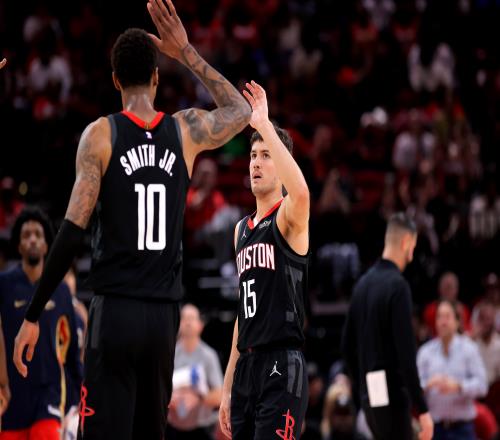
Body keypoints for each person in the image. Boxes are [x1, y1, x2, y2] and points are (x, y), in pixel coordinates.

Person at [13, 0, 251, 438]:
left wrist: (32, 313)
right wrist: (186, 53)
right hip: (162, 319)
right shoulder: (184, 131)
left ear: (115, 80)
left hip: (116, 311)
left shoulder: (100, 136)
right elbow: (241, 112)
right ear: (157, 77)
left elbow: (71, 232)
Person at [219, 81, 310, 440]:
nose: (256, 162)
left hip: (282, 362)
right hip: (247, 366)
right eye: (253, 155)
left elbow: (301, 192)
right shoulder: (240, 230)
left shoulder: (288, 217)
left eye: (266, 155)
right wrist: (227, 385)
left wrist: (264, 125)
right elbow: (243, 315)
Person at [342, 213, 433, 440]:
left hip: (370, 396)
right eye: (413, 247)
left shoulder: (362, 284)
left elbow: (346, 346)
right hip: (392, 394)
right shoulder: (398, 286)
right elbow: (406, 353)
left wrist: (361, 388)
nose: (412, 255)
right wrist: (422, 409)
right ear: (405, 242)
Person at [0, 207, 81, 439]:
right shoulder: (4, 285)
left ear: (47, 246)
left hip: (49, 395)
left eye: (38, 234)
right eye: (26, 235)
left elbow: (71, 349)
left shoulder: (62, 290)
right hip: (12, 397)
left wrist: (77, 396)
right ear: (19, 245)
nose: (33, 239)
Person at [417, 300, 488, 440]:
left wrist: (459, 386)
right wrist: (428, 384)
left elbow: (482, 385)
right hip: (435, 428)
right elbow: (414, 388)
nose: (443, 322)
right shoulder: (425, 352)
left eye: (447, 316)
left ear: (457, 322)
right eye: (439, 317)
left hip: (462, 428)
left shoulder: (469, 349)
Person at [167, 304, 223, 439]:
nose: (188, 322)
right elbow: (158, 390)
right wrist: (171, 398)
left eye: (191, 318)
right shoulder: (169, 354)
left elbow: (220, 396)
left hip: (202, 429)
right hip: (172, 428)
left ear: (200, 325)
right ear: (178, 325)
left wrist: (198, 399)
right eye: (184, 318)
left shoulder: (209, 356)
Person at [423, 271, 471, 336]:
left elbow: (467, 332)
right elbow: (426, 332)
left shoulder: (463, 310)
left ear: (457, 289)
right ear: (439, 288)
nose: (448, 291)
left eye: (450, 287)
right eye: (446, 287)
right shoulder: (430, 310)